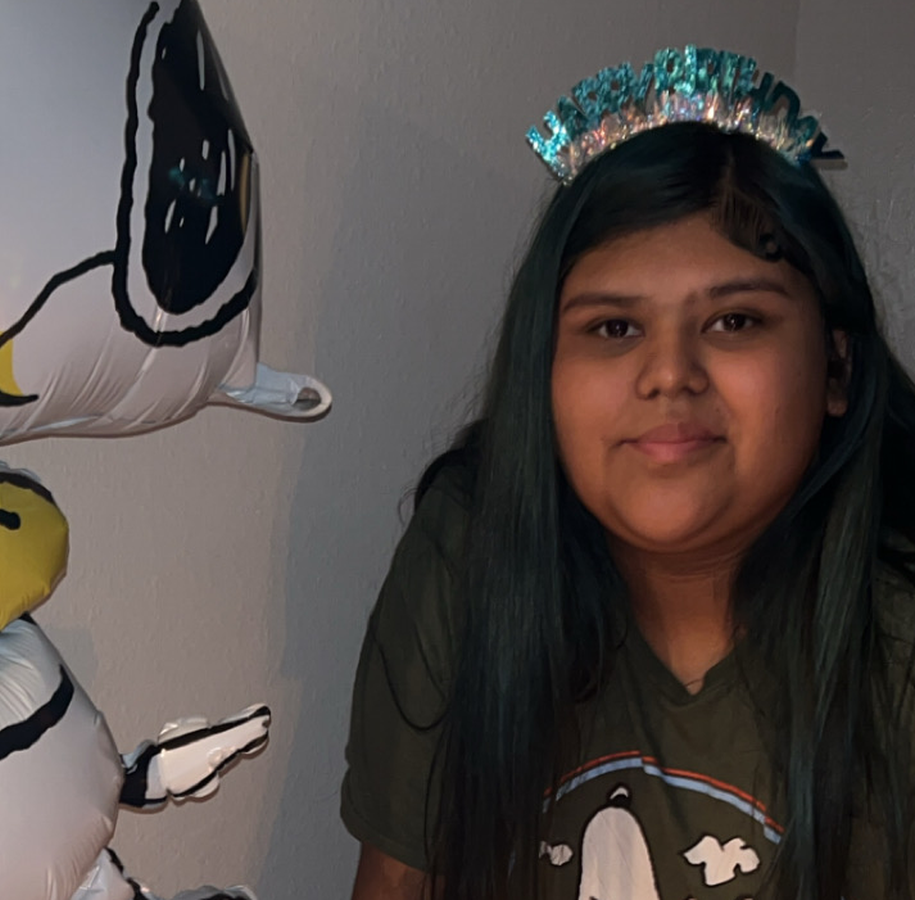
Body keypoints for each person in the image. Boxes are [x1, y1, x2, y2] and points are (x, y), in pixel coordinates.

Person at [341, 47, 915, 900]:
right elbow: (399, 881)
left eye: (734, 320)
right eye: (614, 329)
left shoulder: (896, 639)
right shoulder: (470, 551)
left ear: (837, 367)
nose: (669, 374)